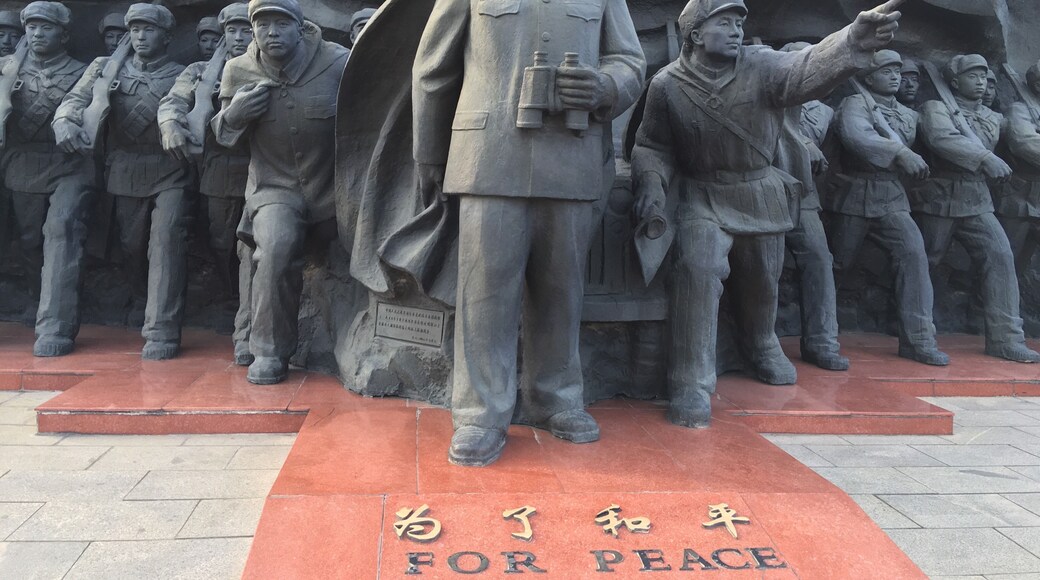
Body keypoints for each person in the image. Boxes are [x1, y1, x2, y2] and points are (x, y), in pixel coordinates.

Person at [630, 0, 905, 429]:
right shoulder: (667, 84)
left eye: (740, 22)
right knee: (697, 271)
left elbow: (804, 68)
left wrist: (851, 40)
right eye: (725, 22)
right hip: (703, 195)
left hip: (758, 191)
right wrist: (650, 183)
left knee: (761, 280)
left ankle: (760, 344)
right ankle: (690, 382)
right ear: (696, 34)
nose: (738, 29)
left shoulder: (763, 65)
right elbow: (653, 145)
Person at [414, 0, 645, 466]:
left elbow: (630, 61)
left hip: (572, 156)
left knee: (562, 287)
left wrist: (605, 85)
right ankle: (480, 413)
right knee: (485, 289)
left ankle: (556, 397)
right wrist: (428, 153)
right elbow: (433, 68)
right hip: (487, 156)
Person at [212, 0, 349, 383]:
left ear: (301, 27)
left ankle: (367, 338)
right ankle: (270, 352)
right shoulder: (237, 69)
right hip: (274, 188)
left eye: (281, 23)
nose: (271, 32)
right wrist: (235, 113)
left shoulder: (338, 62)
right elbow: (224, 137)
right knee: (274, 247)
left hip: (333, 188)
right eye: (262, 24)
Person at [54, 3, 191, 361]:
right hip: (124, 171)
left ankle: (161, 330)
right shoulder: (105, 69)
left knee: (166, 240)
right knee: (132, 246)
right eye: (135, 30)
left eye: (149, 30)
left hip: (170, 170)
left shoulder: (183, 72)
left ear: (167, 36)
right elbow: (74, 100)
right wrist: (66, 121)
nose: (140, 37)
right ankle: (143, 295)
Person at [912, 54, 1040, 363]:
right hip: (940, 196)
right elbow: (941, 138)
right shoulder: (935, 108)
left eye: (984, 76)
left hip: (977, 199)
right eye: (973, 76)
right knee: (926, 261)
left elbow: (1023, 139)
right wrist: (983, 158)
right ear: (955, 82)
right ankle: (914, 333)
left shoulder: (995, 116)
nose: (981, 81)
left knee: (1000, 257)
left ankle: (1005, 337)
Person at [826, 49, 948, 365]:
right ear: (869, 77)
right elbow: (858, 138)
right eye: (887, 71)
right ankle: (819, 331)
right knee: (837, 264)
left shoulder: (909, 115)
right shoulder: (854, 104)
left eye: (898, 71)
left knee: (914, 255)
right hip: (856, 193)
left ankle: (919, 338)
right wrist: (899, 153)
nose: (895, 76)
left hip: (893, 196)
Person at [159, 3, 254, 365]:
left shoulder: (268, 68)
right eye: (232, 31)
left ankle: (247, 325)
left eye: (245, 30)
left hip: (260, 170)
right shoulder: (200, 71)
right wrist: (170, 123)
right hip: (217, 172)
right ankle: (231, 293)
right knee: (219, 240)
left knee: (252, 247)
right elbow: (173, 101)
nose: (238, 37)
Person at [2, 1, 91, 356]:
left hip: (68, 165)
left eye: (46, 28)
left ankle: (56, 326)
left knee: (62, 230)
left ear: (64, 34)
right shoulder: (7, 69)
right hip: (22, 166)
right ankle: (37, 297)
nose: (37, 34)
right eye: (32, 28)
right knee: (28, 240)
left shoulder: (85, 72)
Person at [776, 41, 848, 371]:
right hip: (765, 190)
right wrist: (804, 144)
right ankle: (758, 341)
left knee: (819, 259)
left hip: (804, 194)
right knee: (765, 268)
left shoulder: (825, 110)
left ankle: (822, 341)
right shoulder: (767, 89)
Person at [995, 61, 1040, 279]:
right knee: (1007, 254)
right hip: (1020, 193)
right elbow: (1024, 143)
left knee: (1025, 261)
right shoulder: (1019, 109)